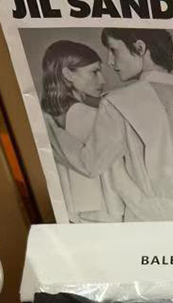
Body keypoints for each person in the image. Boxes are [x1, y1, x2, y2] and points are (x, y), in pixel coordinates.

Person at [46, 29, 173, 222]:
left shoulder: (118, 102)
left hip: (147, 226)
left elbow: (89, 163)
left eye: (114, 50)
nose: (110, 61)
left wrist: (49, 130)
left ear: (140, 48)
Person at [40, 40, 124, 222]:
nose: (103, 80)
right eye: (94, 71)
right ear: (68, 74)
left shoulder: (48, 116)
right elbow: (109, 176)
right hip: (103, 217)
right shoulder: (85, 114)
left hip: (74, 215)